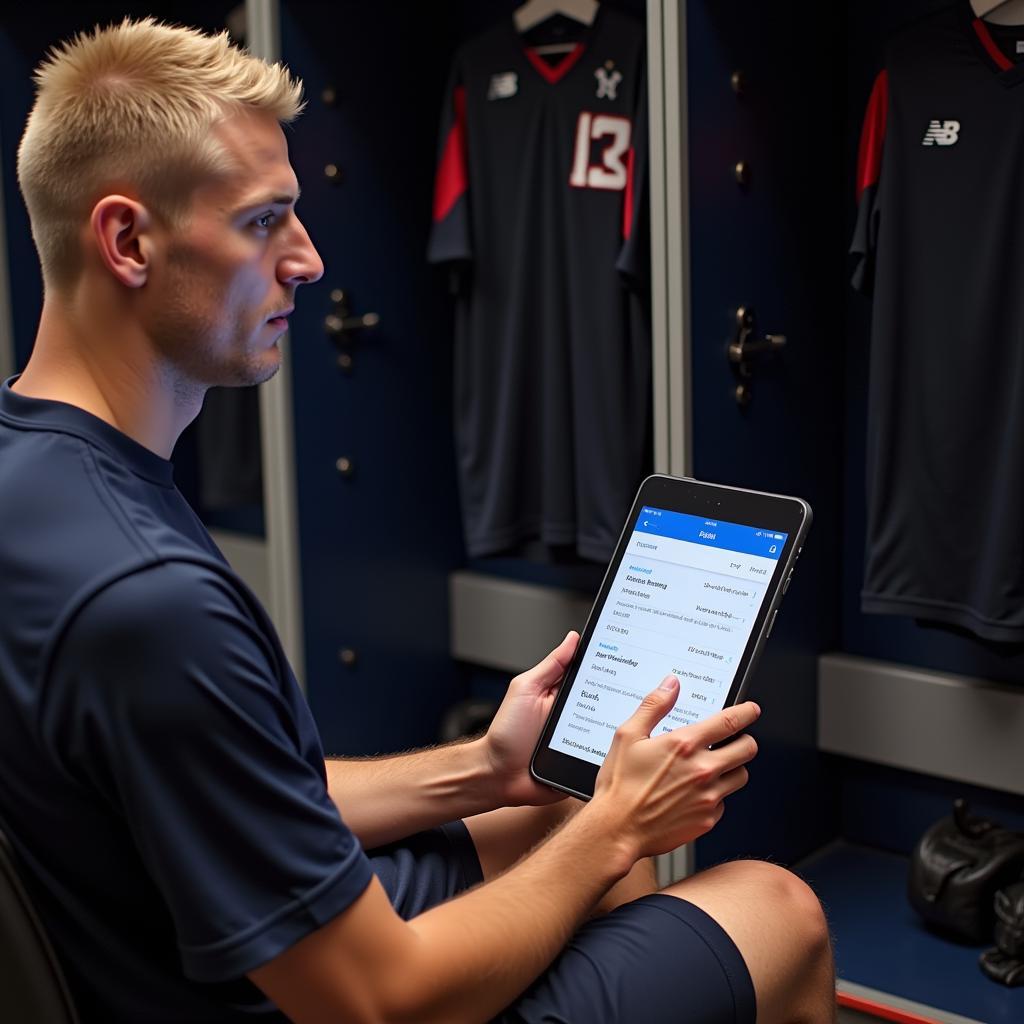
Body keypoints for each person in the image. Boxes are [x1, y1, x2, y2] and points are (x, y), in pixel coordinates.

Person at [0, 17, 835, 1024]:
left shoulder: (40, 479)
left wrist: (483, 771)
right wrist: (617, 824)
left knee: (553, 826)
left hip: (188, 941)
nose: (308, 261)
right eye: (265, 222)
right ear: (127, 240)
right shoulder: (150, 602)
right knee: (775, 907)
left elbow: (252, 799)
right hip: (287, 995)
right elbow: (376, 1001)